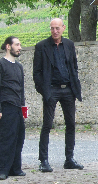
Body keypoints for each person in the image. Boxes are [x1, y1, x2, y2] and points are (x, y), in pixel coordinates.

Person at [33, 18, 84, 172]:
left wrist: (74, 86)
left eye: (57, 28)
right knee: (47, 125)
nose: (55, 31)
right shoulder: (41, 46)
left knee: (71, 124)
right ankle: (44, 160)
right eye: (52, 28)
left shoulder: (69, 44)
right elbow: (36, 72)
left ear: (63, 28)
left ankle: (69, 159)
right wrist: (44, 90)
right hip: (51, 89)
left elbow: (74, 66)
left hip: (68, 89)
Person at [0, 36, 26, 180]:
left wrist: (24, 109)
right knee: (6, 138)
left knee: (19, 138)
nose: (20, 47)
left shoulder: (19, 66)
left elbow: (21, 89)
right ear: (8, 46)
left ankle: (15, 168)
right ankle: (2, 170)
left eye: (20, 45)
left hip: (17, 107)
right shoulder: (0, 65)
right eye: (17, 45)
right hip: (6, 106)